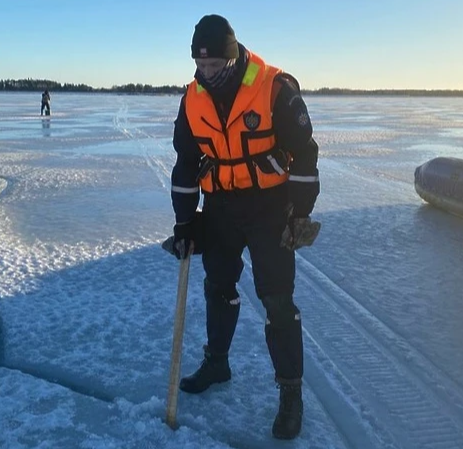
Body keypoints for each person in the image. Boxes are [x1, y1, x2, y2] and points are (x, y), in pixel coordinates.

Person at [168, 14, 320, 440]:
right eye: (200, 66)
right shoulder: (192, 98)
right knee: (217, 285)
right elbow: (185, 161)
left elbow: (304, 154)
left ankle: (291, 394)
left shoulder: (275, 87)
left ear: (232, 58)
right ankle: (217, 362)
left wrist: (300, 212)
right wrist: (184, 221)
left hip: (270, 207)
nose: (206, 74)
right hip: (220, 206)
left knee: (276, 299)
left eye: (214, 66)